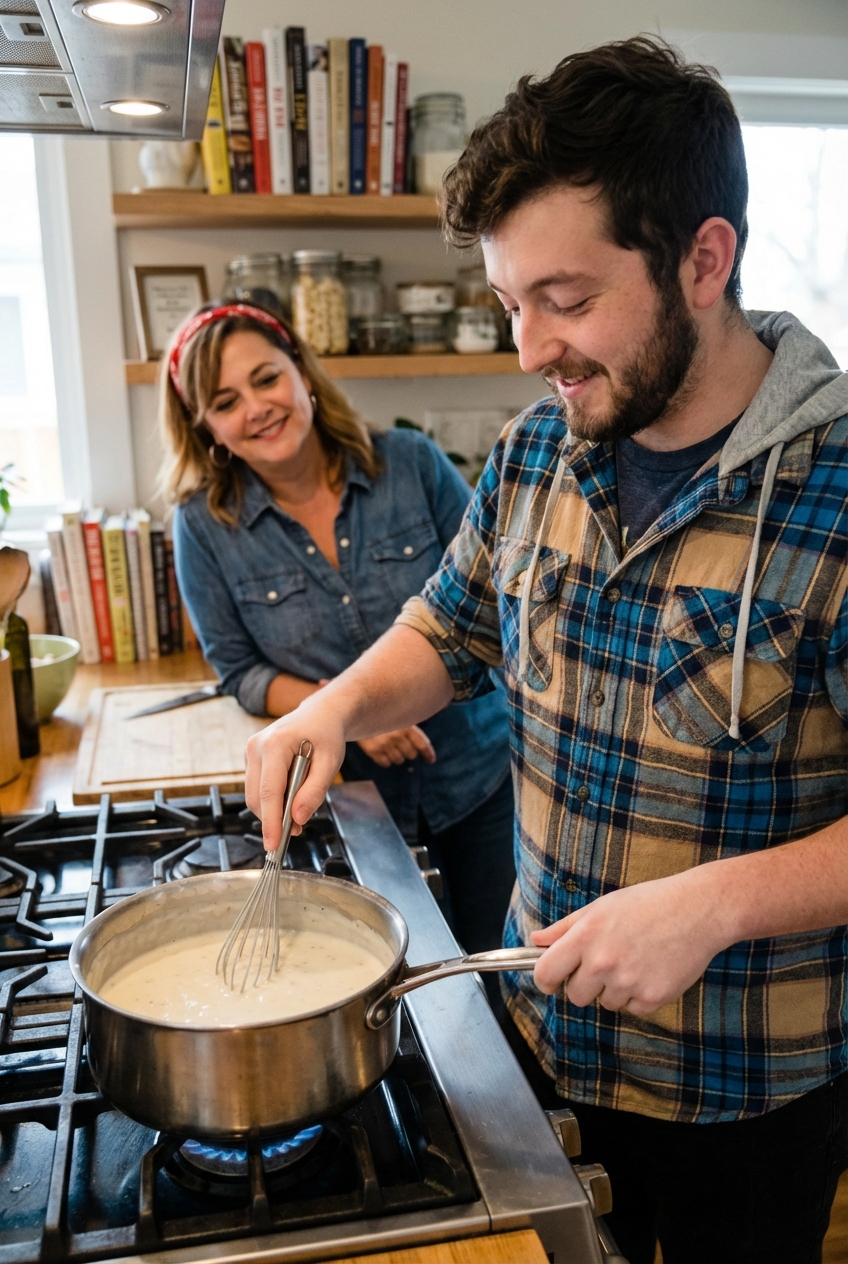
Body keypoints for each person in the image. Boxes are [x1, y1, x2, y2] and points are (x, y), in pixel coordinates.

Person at [242, 37, 848, 1264]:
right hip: (546, 1044)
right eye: (510, 303)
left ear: (702, 259)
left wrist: (718, 903)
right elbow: (447, 628)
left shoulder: (833, 495)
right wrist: (331, 711)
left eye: (565, 302)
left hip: (746, 1090)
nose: (528, 348)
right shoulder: (537, 449)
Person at [159, 301, 516, 968]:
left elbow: (490, 605)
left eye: (267, 378)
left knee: (501, 977)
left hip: (481, 778)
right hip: (352, 807)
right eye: (225, 401)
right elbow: (240, 672)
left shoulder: (410, 463)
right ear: (206, 428)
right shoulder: (202, 526)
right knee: (403, 989)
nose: (258, 407)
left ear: (302, 372)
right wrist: (342, 708)